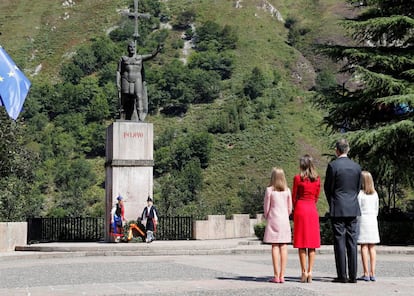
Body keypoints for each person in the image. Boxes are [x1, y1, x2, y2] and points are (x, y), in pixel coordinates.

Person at [324, 138, 361, 283]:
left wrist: (332, 202)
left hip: (338, 206)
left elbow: (328, 188)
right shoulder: (357, 167)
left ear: (336, 150)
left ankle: (342, 275)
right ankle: (353, 275)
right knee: (352, 241)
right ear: (348, 149)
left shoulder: (333, 166)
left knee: (339, 241)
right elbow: (358, 188)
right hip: (352, 207)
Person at [292, 155, 321, 283]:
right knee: (312, 244)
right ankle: (310, 271)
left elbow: (294, 196)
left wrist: (295, 207)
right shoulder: (317, 180)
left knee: (302, 243)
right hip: (311, 209)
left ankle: (303, 271)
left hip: (300, 209)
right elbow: (316, 196)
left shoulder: (297, 179)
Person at [117, 42, 162, 121]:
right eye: (130, 47)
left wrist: (157, 50)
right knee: (125, 96)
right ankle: (122, 114)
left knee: (138, 96)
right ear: (128, 48)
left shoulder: (140, 58)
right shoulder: (123, 59)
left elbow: (151, 55)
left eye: (134, 47)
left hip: (137, 78)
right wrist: (117, 82)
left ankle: (140, 116)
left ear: (136, 48)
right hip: (126, 78)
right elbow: (118, 71)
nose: (132, 48)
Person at [263, 167, 293, 284]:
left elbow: (266, 207)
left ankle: (276, 275)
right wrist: (285, 214)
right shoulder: (287, 190)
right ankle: (282, 275)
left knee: (275, 246)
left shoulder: (269, 190)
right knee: (284, 246)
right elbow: (290, 208)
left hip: (273, 219)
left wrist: (268, 216)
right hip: (284, 220)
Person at [357, 171, 380, 282]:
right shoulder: (375, 194)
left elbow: (358, 209)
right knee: (372, 247)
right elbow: (377, 210)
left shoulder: (360, 194)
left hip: (363, 220)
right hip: (373, 220)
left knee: (364, 246)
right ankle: (373, 272)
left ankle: (366, 272)